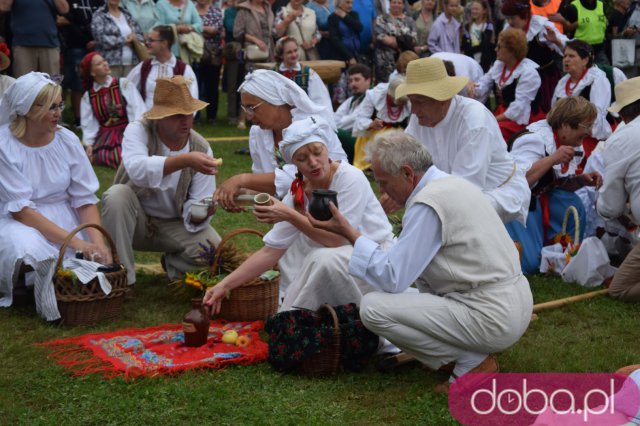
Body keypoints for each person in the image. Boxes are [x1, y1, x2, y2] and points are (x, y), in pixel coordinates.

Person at [307, 131, 533, 394]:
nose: (382, 190)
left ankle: (470, 361)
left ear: (407, 173)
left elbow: (394, 277)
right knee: (394, 297)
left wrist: (349, 232)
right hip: (511, 303)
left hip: (491, 314)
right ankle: (462, 354)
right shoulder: (453, 184)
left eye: (384, 182)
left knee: (372, 308)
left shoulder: (428, 203)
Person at [204, 116, 394, 313]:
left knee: (321, 258)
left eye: (317, 153)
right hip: (335, 264)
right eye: (302, 159)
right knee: (309, 260)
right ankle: (294, 318)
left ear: (327, 149)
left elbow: (338, 239)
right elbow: (271, 251)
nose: (313, 163)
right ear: (294, 163)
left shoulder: (350, 178)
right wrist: (223, 286)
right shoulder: (299, 191)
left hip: (373, 260)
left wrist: (289, 214)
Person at [0, 72, 111, 321]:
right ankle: (27, 282)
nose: (58, 113)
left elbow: (83, 198)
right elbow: (21, 210)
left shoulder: (67, 140)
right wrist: (77, 243)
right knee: (31, 247)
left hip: (64, 213)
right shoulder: (4, 145)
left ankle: (42, 283)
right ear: (28, 109)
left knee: (92, 260)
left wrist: (97, 243)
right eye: (51, 107)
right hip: (18, 220)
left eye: (60, 105)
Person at [101, 76, 222, 286]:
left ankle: (173, 263)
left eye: (189, 113)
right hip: (133, 220)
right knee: (116, 195)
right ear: (159, 117)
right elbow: (138, 170)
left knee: (215, 254)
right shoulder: (139, 130)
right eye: (177, 115)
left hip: (174, 225)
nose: (185, 120)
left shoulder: (201, 148)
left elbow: (199, 202)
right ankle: (122, 279)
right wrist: (183, 160)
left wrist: (202, 211)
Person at [397, 57, 531, 224]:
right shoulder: (419, 119)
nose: (414, 110)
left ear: (443, 98)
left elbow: (464, 188)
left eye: (420, 102)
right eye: (411, 101)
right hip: (457, 193)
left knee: (450, 218)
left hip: (498, 193)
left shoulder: (474, 120)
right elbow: (405, 157)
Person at [215, 69, 347, 205]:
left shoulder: (311, 125)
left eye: (252, 108)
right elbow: (269, 186)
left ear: (274, 100)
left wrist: (241, 180)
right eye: (246, 109)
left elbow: (298, 177)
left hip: (333, 206)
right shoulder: (258, 133)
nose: (249, 116)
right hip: (291, 215)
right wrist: (243, 196)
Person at [506, 97, 599, 273]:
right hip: (518, 201)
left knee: (573, 203)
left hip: (541, 196)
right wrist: (553, 159)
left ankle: (565, 252)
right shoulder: (534, 140)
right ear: (565, 125)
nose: (589, 132)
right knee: (529, 264)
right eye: (586, 127)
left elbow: (556, 183)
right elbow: (517, 182)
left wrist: (580, 180)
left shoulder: (569, 143)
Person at [597, 76, 640, 302]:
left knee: (619, 289)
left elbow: (610, 207)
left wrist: (600, 202)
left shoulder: (621, 139)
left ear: (623, 115)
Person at [467, 27, 544, 142]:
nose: (495, 49)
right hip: (503, 113)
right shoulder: (499, 65)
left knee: (489, 132)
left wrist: (491, 119)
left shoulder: (528, 73)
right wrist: (470, 84)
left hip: (523, 119)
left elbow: (518, 108)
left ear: (512, 50)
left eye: (499, 47)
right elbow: (482, 86)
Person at [79, 52, 146, 169]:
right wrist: (89, 143)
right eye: (99, 64)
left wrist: (137, 132)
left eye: (104, 60)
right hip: (106, 134)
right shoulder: (89, 96)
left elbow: (136, 109)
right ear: (92, 72)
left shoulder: (123, 84)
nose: (105, 64)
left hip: (127, 130)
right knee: (98, 156)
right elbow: (89, 124)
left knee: (126, 152)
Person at [502, 0, 567, 112]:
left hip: (545, 80)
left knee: (546, 113)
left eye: (513, 18)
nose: (510, 22)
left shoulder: (541, 26)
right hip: (521, 79)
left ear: (525, 15)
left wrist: (556, 41)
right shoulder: (508, 28)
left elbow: (567, 47)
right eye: (508, 18)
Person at [551, 40, 613, 160]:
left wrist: (573, 131)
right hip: (564, 135)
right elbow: (553, 110)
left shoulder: (597, 80)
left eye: (571, 56)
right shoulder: (563, 82)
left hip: (587, 137)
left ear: (585, 60)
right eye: (564, 56)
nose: (566, 60)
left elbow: (596, 116)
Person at [127, 25, 198, 111]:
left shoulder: (183, 69)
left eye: (151, 40)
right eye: (147, 40)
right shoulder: (144, 66)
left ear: (164, 43)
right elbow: (127, 88)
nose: (147, 43)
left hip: (172, 122)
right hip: (145, 120)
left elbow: (192, 100)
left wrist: (180, 121)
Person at [352, 76, 412, 170]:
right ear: (390, 95)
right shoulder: (374, 96)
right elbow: (360, 119)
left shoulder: (410, 100)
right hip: (373, 135)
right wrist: (371, 124)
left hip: (400, 135)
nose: (401, 104)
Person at [0, 0, 69, 77]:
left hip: (50, 44)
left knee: (52, 84)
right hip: (23, 45)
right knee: (24, 84)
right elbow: (3, 6)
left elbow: (64, 9)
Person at [272, 36, 333, 113]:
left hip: (305, 118)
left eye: (295, 50)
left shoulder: (308, 74)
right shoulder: (274, 74)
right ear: (281, 55)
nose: (294, 55)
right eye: (289, 52)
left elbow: (320, 101)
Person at [91, 0, 145, 78]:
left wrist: (134, 38)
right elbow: (101, 39)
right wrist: (124, 40)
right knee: (112, 90)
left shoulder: (127, 14)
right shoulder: (99, 14)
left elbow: (140, 34)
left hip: (132, 63)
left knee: (129, 89)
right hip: (109, 64)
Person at [335, 63, 372, 163]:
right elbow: (334, 120)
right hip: (354, 140)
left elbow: (354, 120)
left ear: (368, 80)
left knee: (338, 133)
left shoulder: (372, 97)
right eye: (350, 81)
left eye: (357, 80)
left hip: (367, 144)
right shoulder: (351, 100)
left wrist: (341, 122)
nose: (353, 84)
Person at [194, 0, 224, 124]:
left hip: (213, 55)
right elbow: (191, 28)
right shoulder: (191, 9)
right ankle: (196, 116)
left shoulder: (216, 12)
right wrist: (206, 29)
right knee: (195, 86)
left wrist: (198, 28)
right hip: (195, 53)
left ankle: (212, 116)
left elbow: (216, 31)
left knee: (212, 87)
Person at [374, 0, 417, 82]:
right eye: (394, 2)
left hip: (405, 60)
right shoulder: (381, 19)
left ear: (403, 5)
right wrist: (403, 40)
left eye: (399, 3)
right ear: (390, 4)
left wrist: (393, 38)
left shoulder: (410, 21)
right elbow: (381, 37)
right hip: (385, 61)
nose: (396, 5)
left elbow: (414, 39)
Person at [461, 0, 495, 72]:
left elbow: (485, 44)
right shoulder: (467, 26)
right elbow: (464, 45)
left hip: (484, 62)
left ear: (484, 11)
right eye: (473, 9)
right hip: (471, 61)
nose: (474, 11)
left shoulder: (488, 25)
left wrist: (469, 50)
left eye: (477, 9)